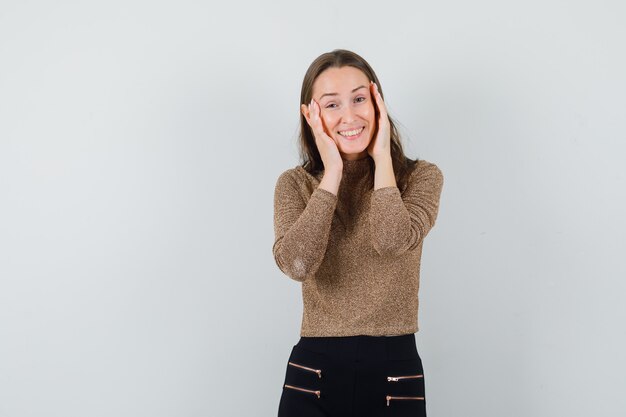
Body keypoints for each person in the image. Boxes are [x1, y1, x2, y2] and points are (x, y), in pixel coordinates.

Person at [273, 49, 444, 417]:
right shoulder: (296, 184)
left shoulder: (421, 178)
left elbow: (390, 240)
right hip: (314, 370)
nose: (349, 116)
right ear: (311, 114)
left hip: (393, 371)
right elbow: (298, 264)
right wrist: (332, 173)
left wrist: (383, 160)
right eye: (331, 105)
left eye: (359, 99)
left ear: (377, 102)